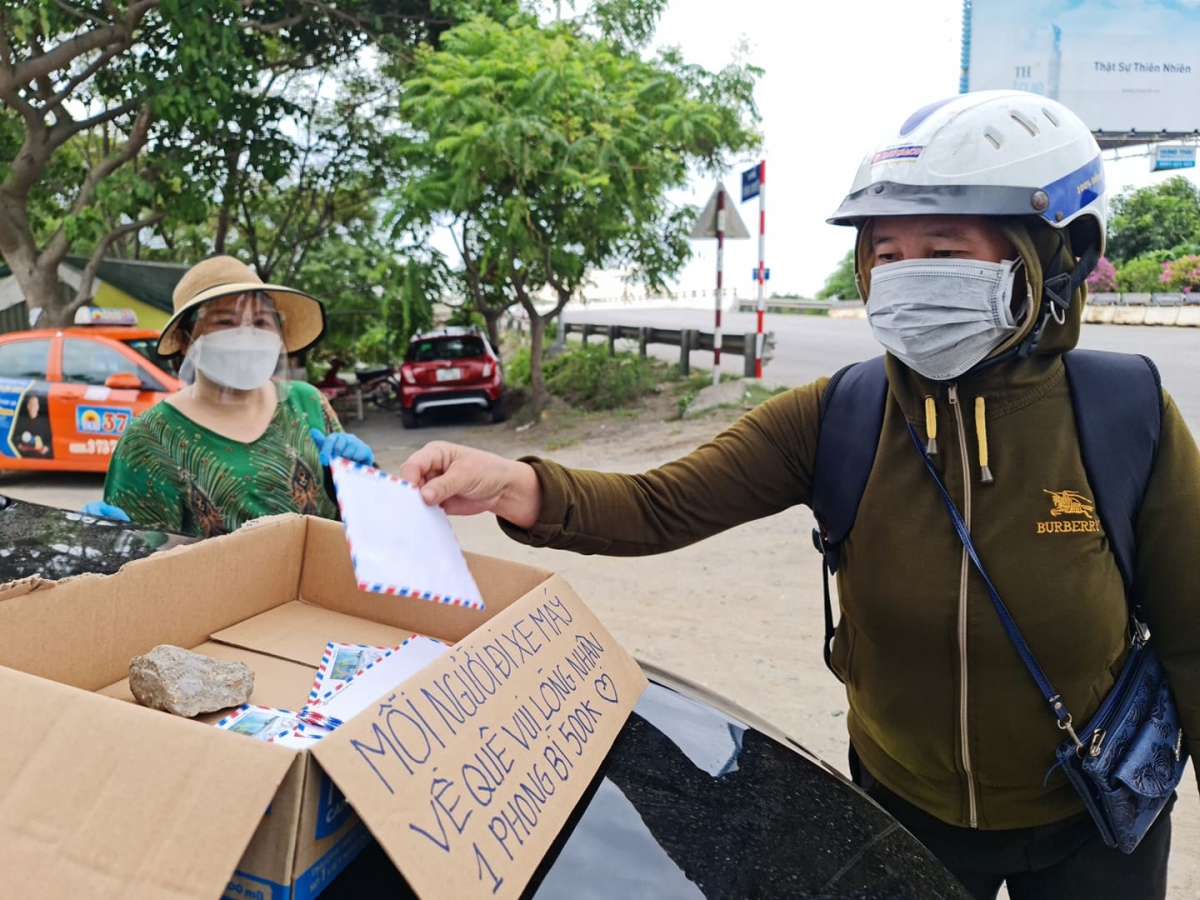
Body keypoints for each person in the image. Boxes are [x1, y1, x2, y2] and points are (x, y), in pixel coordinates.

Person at [398, 91, 1200, 900]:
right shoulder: (838, 416)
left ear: (1047, 257)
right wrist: (516, 484)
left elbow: (1194, 637)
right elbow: (660, 504)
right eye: (886, 253)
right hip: (899, 817)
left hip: (1097, 823)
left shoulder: (1124, 414)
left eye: (942, 247)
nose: (906, 273)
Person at [83, 255, 374, 536]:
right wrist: (117, 540)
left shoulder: (307, 401)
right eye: (225, 322)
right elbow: (144, 565)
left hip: (320, 583)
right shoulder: (150, 437)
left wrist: (361, 477)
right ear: (186, 339)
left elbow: (358, 519)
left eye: (261, 322)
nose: (246, 335)